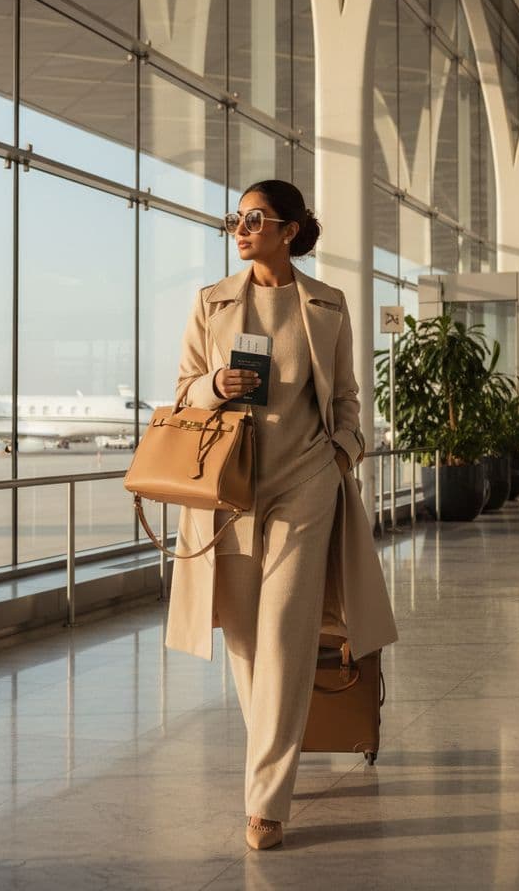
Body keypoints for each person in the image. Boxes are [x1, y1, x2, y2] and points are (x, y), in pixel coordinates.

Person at [165, 179, 398, 850]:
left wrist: (342, 455)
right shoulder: (211, 304)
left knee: (288, 636)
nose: (240, 227)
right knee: (243, 639)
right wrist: (215, 385)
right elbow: (182, 393)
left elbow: (350, 402)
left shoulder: (326, 304)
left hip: (306, 485)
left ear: (290, 230)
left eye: (255, 218)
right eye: (234, 218)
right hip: (230, 487)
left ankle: (266, 798)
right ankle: (269, 767)